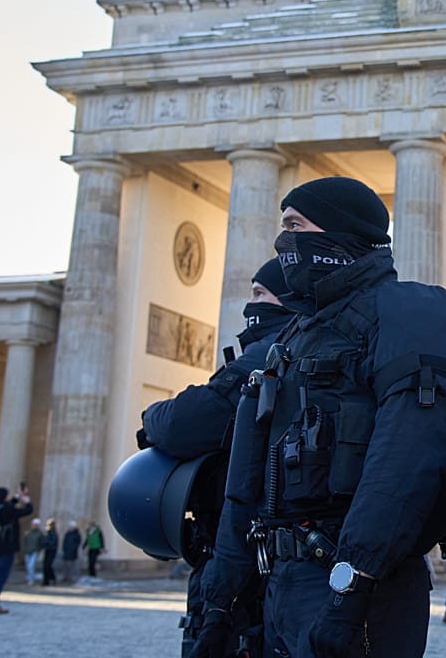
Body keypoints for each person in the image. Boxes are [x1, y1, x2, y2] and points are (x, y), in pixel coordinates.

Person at [198, 176, 446, 658]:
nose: (284, 241)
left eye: (294, 225)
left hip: (360, 587)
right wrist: (220, 601)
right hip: (278, 584)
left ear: (337, 232)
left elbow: (408, 454)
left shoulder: (409, 310)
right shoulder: (293, 337)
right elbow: (247, 480)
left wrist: (354, 586)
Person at [138, 257, 297, 657]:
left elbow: (185, 422)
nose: (251, 305)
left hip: (240, 556)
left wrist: (150, 417)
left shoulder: (267, 353)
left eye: (260, 293)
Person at [0, 485, 34, 614]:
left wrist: (18, 496)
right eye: (9, 495)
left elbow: (10, 505)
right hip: (6, 547)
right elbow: (27, 511)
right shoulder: (8, 510)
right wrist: (27, 501)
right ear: (5, 497)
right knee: (0, 577)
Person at [22, 517, 43, 585]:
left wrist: (39, 550)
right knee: (28, 566)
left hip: (35, 551)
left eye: (36, 524)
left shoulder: (40, 534)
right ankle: (29, 578)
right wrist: (24, 549)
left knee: (31, 565)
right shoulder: (28, 533)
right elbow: (25, 542)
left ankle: (31, 579)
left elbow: (41, 543)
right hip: (28, 551)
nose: (34, 525)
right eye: (34, 524)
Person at [42, 518, 59, 586]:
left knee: (48, 565)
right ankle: (46, 580)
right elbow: (44, 540)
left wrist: (47, 543)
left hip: (52, 550)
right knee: (45, 566)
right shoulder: (47, 532)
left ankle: (52, 578)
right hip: (47, 550)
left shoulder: (54, 533)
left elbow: (53, 542)